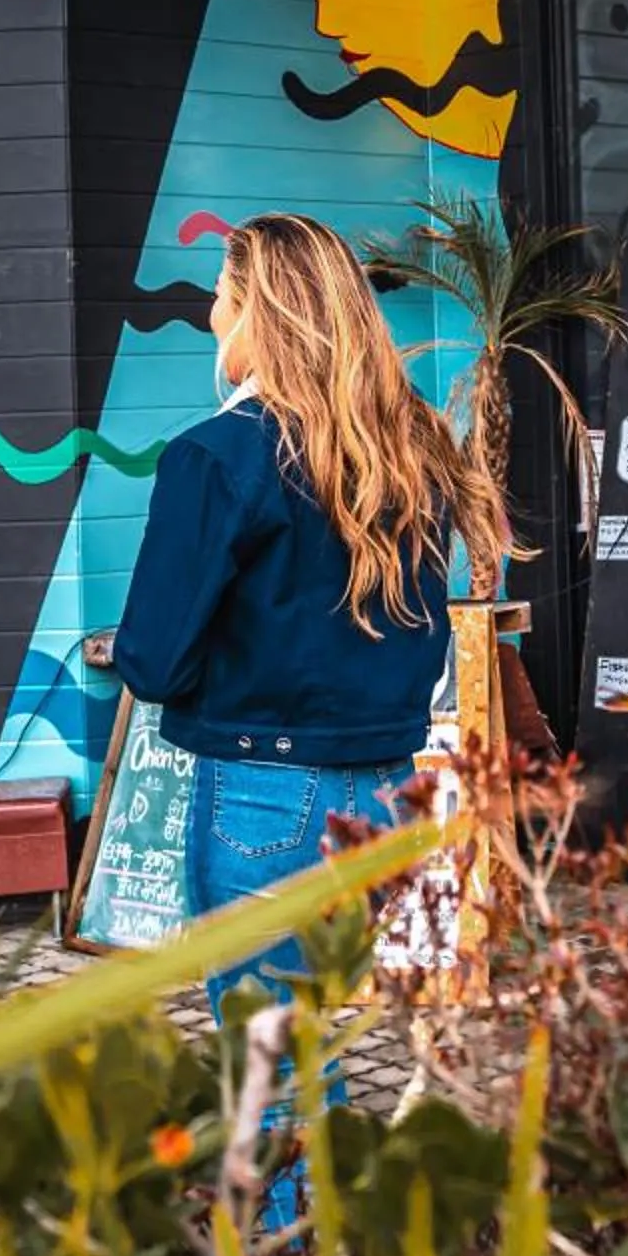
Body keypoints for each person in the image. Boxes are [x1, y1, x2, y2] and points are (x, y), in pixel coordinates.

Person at [113, 212, 505, 1036]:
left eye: (222, 297)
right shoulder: (412, 449)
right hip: (391, 789)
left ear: (260, 313)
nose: (212, 316)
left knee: (272, 1059)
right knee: (312, 1037)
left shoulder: (216, 456)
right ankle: (329, 1170)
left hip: (262, 793)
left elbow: (152, 661)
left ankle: (300, 1173)